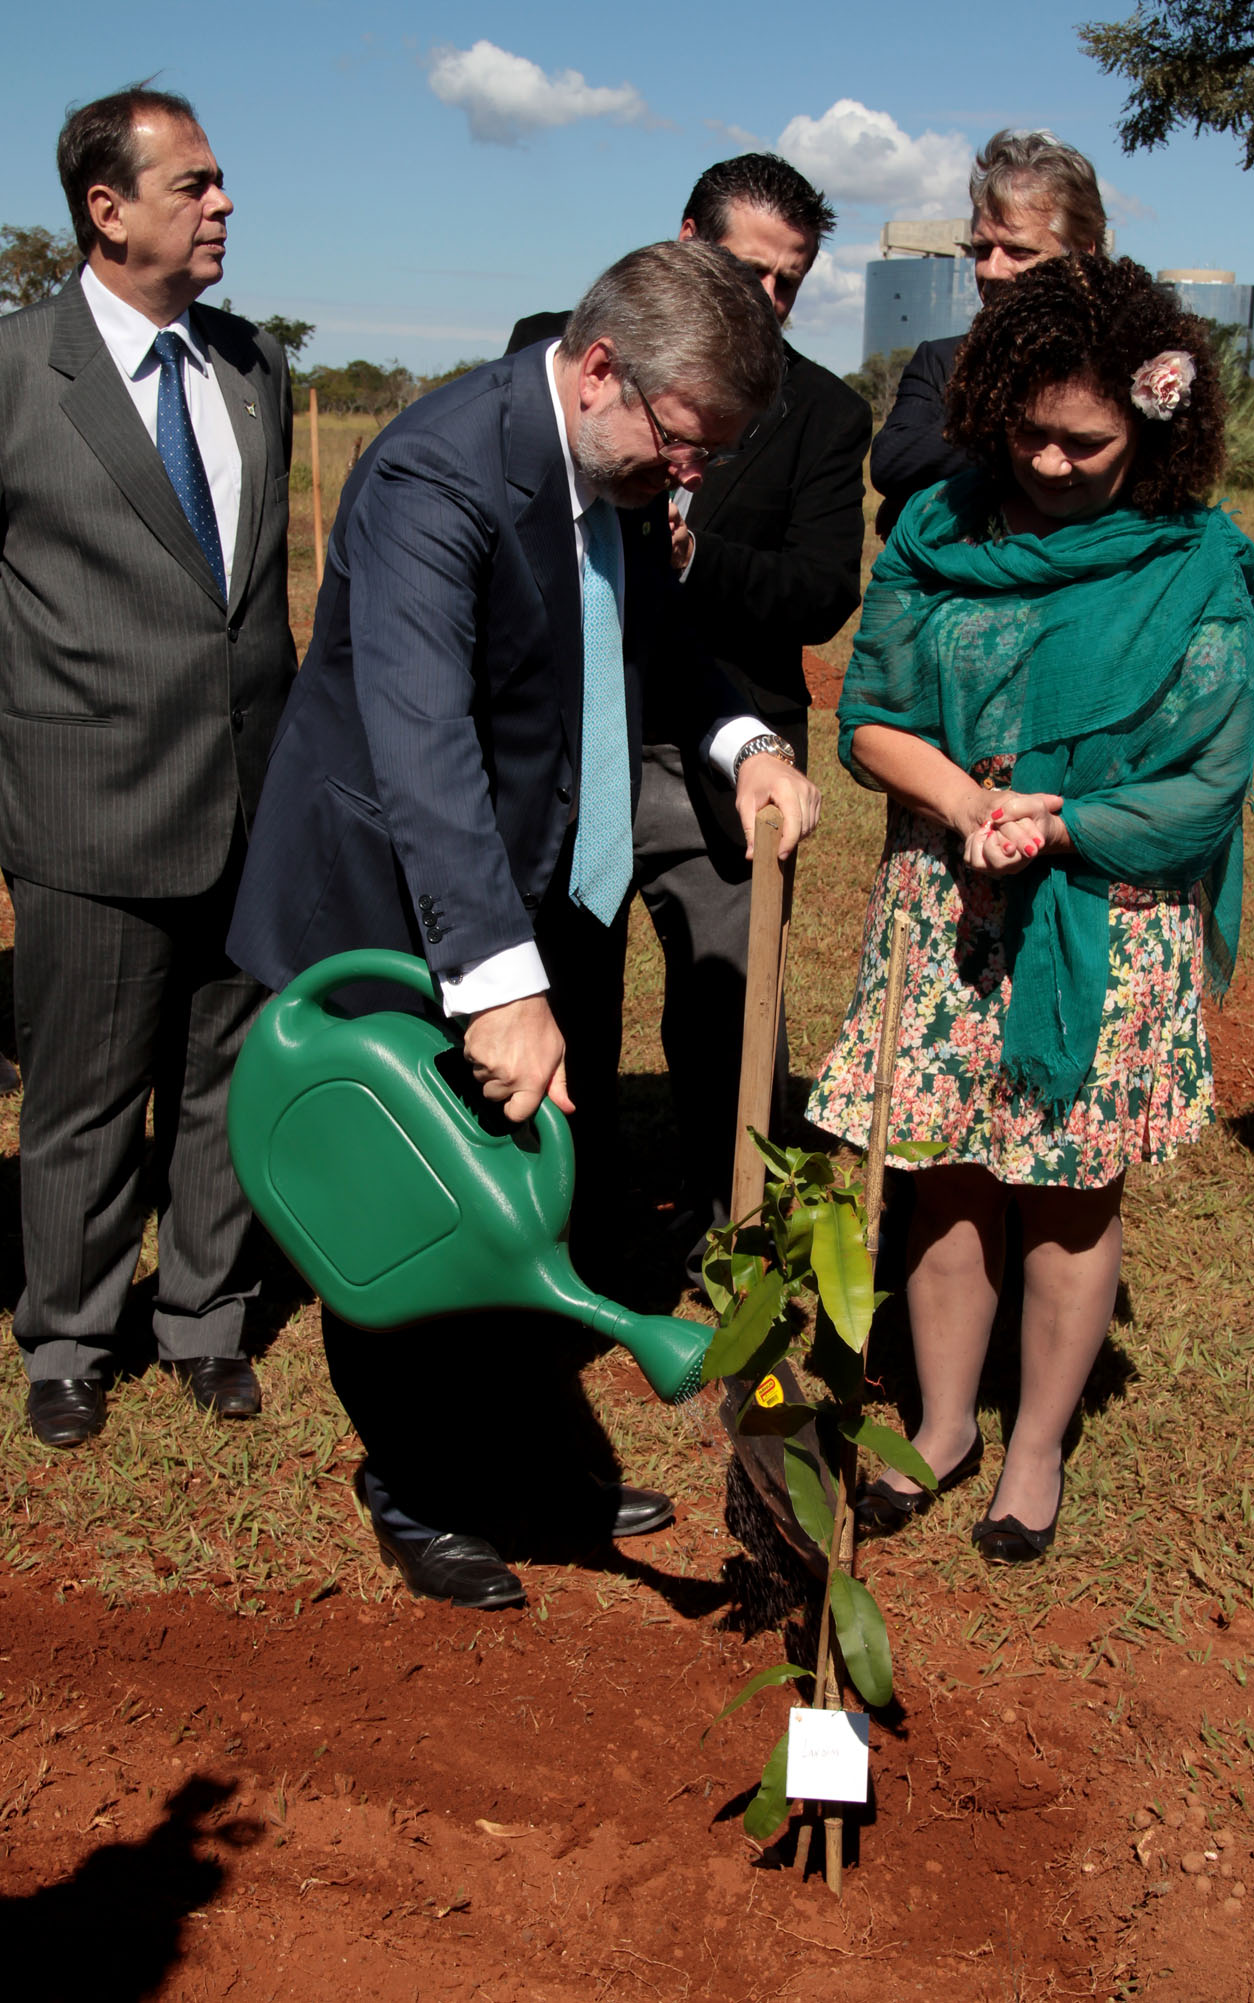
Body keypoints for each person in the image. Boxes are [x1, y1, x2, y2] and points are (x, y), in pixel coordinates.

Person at [228, 240, 822, 1610]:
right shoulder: (437, 471)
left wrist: (740, 740)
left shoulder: (611, 464)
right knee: (414, 1194)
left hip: (546, 877)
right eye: (685, 442)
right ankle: (415, 1481)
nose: (694, 476)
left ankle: (514, 1450)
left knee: (533, 1184)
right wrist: (497, 982)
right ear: (604, 368)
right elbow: (422, 742)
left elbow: (654, 635)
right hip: (397, 897)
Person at [808, 254, 1254, 1563]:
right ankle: (944, 1422)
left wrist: (1051, 819)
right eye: (1031, 434)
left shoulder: (1200, 564)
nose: (1054, 464)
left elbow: (1207, 778)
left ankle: (1034, 1443)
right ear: (990, 409)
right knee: (945, 1167)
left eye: (1089, 442)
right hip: (944, 896)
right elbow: (872, 715)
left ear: (1153, 429)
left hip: (1103, 914)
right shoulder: (938, 533)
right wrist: (965, 805)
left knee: (1068, 1187)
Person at [507, 156, 870, 1277]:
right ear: (683, 238)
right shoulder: (560, 350)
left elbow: (819, 589)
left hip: (730, 748)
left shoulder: (823, 410)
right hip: (583, 738)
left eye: (789, 283)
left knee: (725, 1008)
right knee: (567, 988)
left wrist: (694, 561)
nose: (766, 301)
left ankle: (736, 1223)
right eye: (745, 270)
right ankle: (567, 1220)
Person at [0, 86, 296, 1448]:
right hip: (86, 807)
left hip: (247, 798)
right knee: (82, 1093)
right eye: (194, 184)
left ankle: (204, 1314)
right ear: (105, 209)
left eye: (225, 180)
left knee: (225, 1075)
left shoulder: (251, 369)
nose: (223, 202)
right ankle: (66, 1330)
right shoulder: (17, 374)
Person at [869, 129, 1107, 541]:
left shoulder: (1126, 363)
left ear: (1082, 253)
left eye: (1018, 251)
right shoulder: (943, 360)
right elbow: (892, 463)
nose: (992, 270)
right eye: (981, 250)